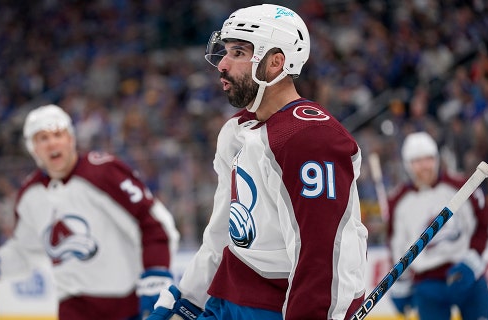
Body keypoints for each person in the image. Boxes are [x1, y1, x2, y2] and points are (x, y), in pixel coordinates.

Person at [149, 4, 367, 320]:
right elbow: (224, 231)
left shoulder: (311, 138)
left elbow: (324, 253)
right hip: (226, 301)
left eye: (238, 53)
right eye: (225, 52)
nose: (222, 64)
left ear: (276, 62)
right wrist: (188, 299)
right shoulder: (237, 131)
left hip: (275, 309)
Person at [0, 104, 180, 320]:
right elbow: (26, 252)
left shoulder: (104, 173)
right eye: (43, 138)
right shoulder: (30, 195)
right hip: (73, 310)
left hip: (128, 306)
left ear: (70, 139)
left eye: (58, 135)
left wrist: (156, 271)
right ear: (33, 148)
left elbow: (154, 224)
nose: (52, 144)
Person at [387, 131, 488, 320]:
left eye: (428, 159)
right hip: (428, 284)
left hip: (467, 275)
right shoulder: (398, 201)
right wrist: (400, 283)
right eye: (417, 161)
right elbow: (397, 245)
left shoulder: (461, 187)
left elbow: (487, 223)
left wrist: (473, 260)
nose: (425, 167)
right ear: (407, 165)